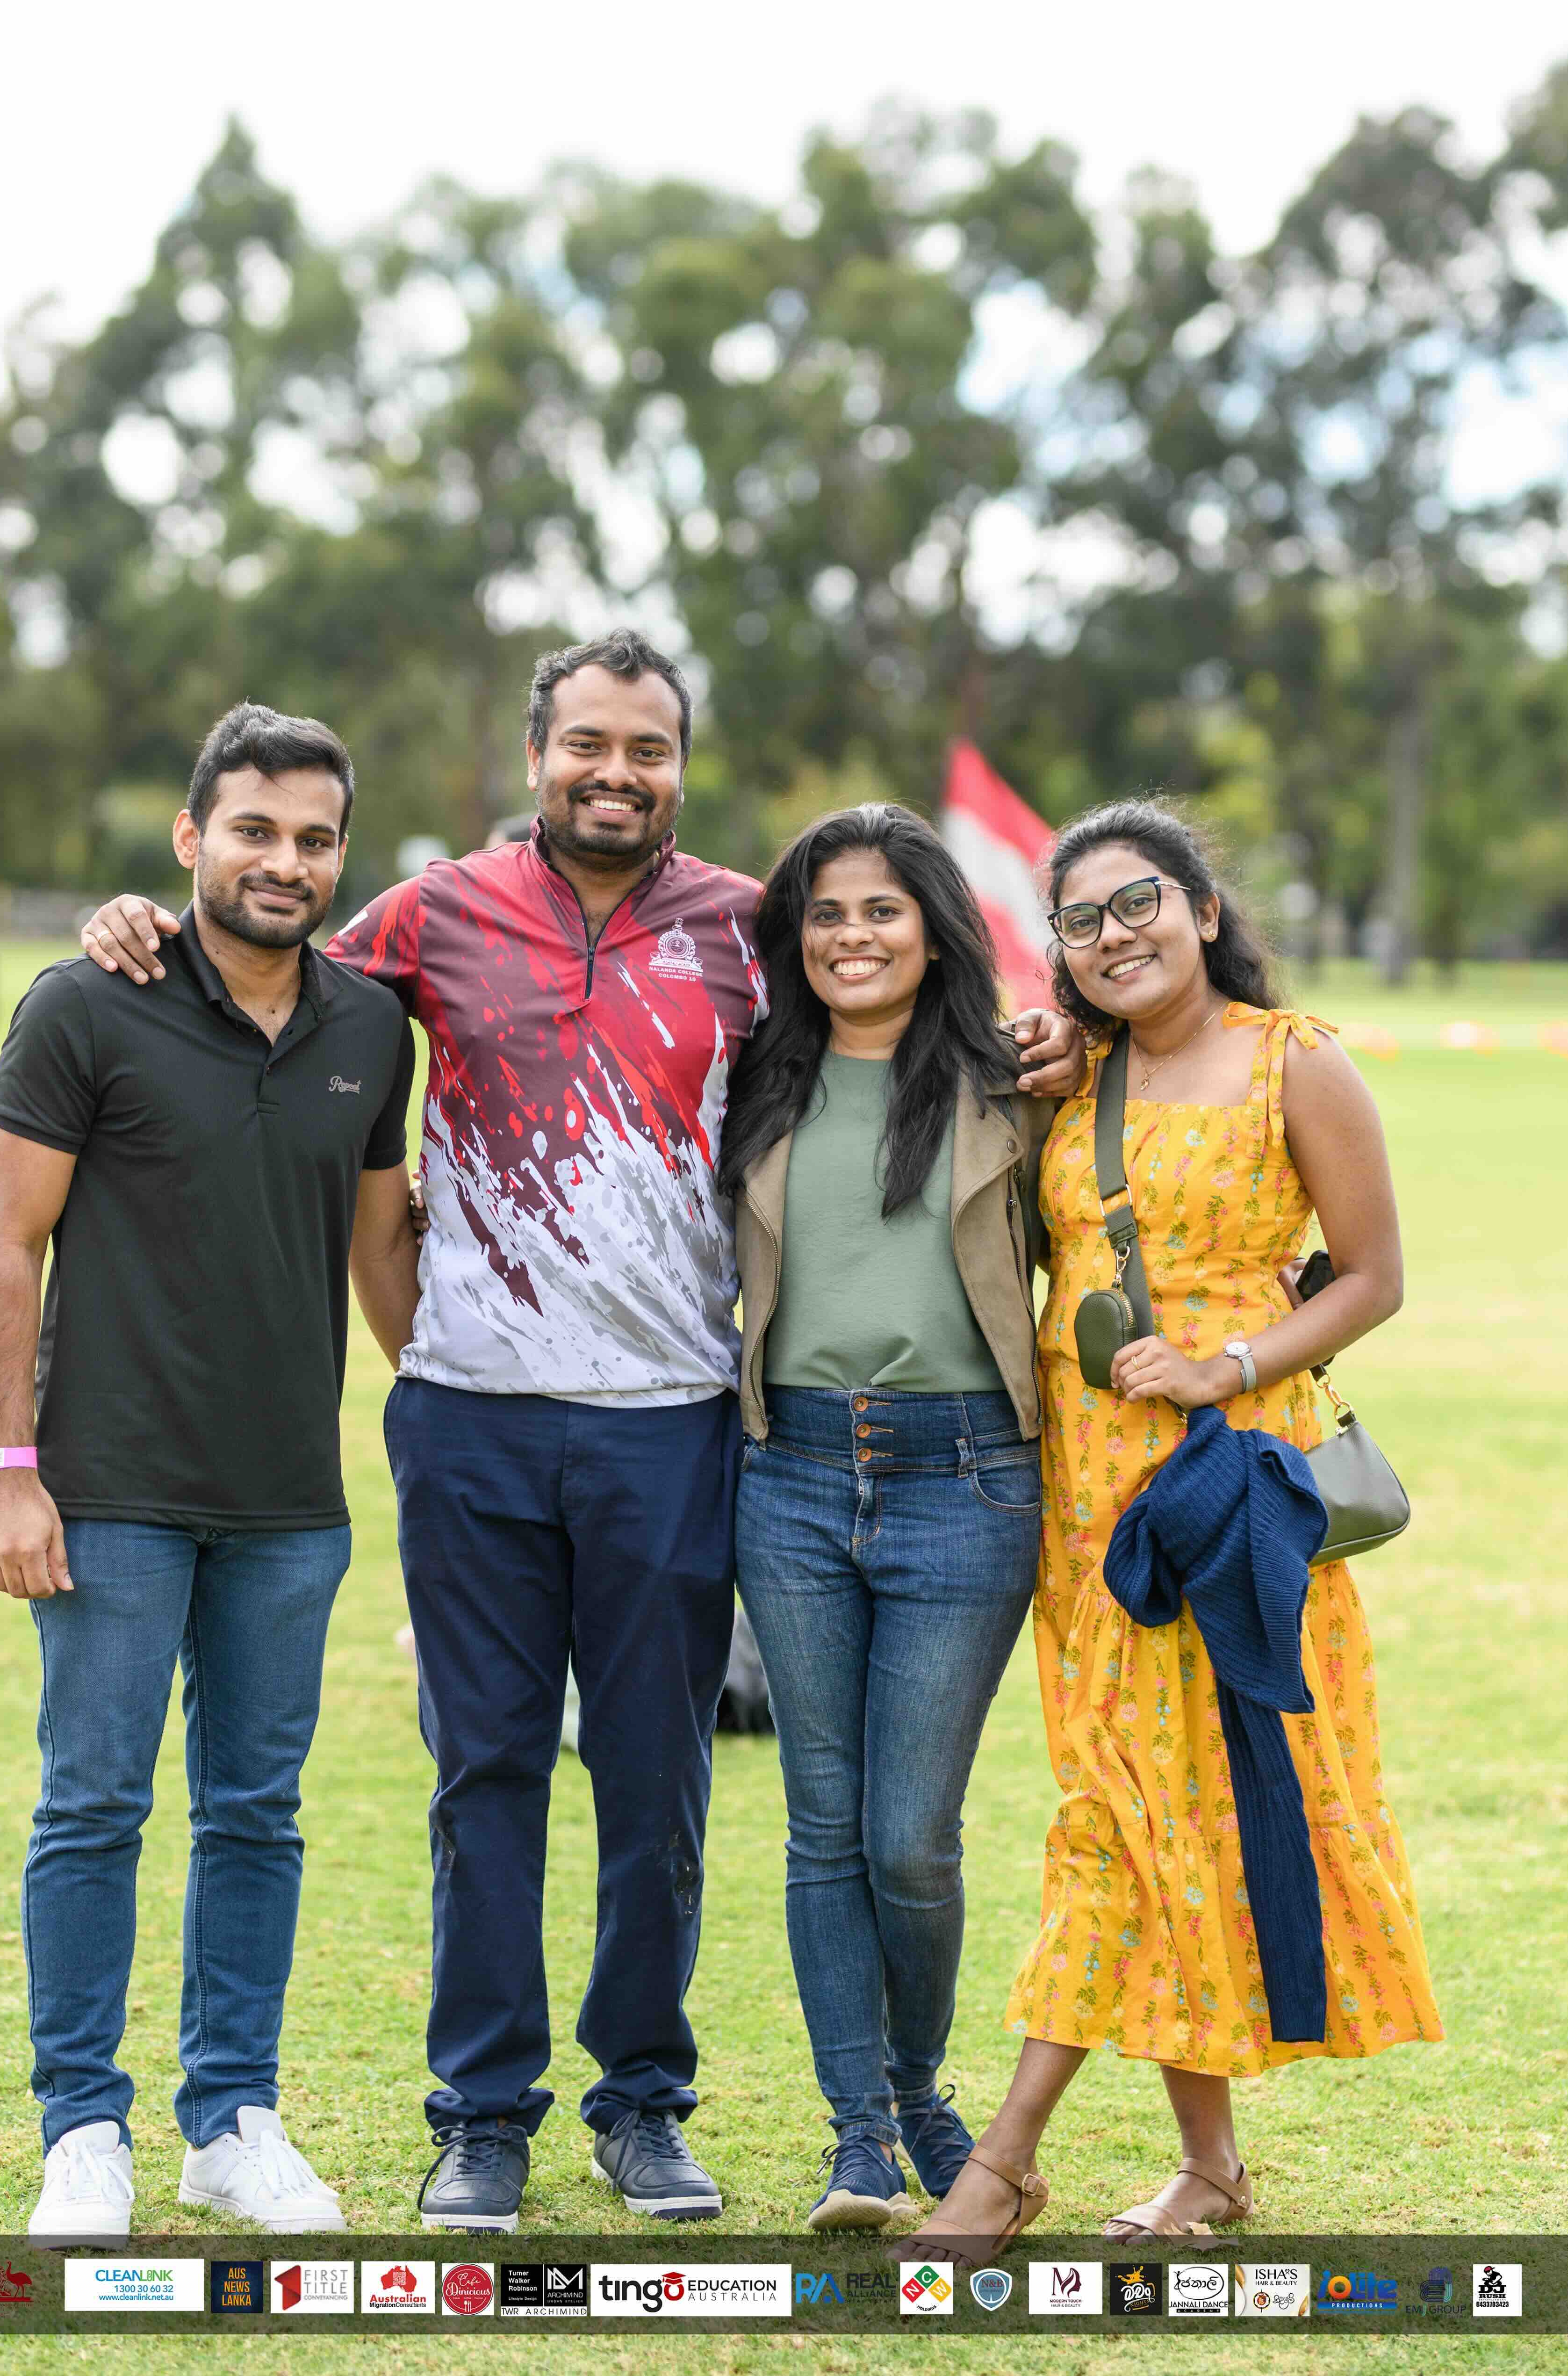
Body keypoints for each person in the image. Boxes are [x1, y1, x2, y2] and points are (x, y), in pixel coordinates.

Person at [77, 629, 1086, 2233]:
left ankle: (640, 2102)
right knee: (482, 1776)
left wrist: (1053, 1036)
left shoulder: (751, 929)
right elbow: (263, 974)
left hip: (676, 1426)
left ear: (682, 762)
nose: (617, 771)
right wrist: (136, 919)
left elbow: (905, 1021)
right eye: (588, 744)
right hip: (471, 1426)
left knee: (655, 1783)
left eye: (650, 747)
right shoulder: (435, 913)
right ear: (536, 754)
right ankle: (480, 2115)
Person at [901, 800, 1441, 2259]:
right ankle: (1209, 2167)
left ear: (1203, 906)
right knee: (1148, 1816)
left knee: (1138, 1819)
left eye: (1139, 899)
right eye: (1080, 918)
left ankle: (1001, 2162)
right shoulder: (1076, 1084)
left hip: (1232, 1498)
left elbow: (1376, 1274)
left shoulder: (1295, 1059)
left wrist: (1228, 1364)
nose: (1114, 932)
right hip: (1089, 1507)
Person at [0, 704, 417, 2246]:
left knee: (258, 1811)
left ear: (340, 855)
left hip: (293, 1505)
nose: (283, 861)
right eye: (254, 831)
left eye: (312, 838)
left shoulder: (371, 1029)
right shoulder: (85, 1004)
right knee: (92, 1804)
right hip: (108, 1491)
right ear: (190, 841)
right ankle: (80, 2129)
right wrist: (8, 1467)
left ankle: (231, 2118)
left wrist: (433, 1407)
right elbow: (5, 1246)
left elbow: (378, 1253)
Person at [719, 805, 1053, 2231]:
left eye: (881, 908)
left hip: (967, 1475)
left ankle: (919, 2088)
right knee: (821, 1823)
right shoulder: (750, 1077)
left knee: (912, 1834)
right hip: (787, 1473)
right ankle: (861, 2132)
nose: (852, 934)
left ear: (935, 923)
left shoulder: (1019, 1076)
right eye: (826, 911)